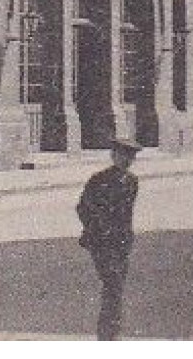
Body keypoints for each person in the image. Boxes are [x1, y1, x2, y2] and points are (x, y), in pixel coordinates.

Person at [76, 137, 141, 340]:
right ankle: (107, 335)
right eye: (122, 155)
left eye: (130, 157)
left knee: (116, 285)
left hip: (121, 243)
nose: (127, 160)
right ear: (113, 156)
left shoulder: (132, 181)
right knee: (112, 283)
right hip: (101, 242)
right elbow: (82, 208)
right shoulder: (98, 180)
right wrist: (99, 229)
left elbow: (126, 214)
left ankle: (112, 332)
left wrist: (127, 238)